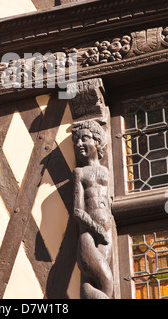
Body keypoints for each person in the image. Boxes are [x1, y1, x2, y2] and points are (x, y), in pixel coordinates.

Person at [72, 120, 114, 299]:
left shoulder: (105, 170)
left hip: (107, 233)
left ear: (97, 142)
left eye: (85, 138)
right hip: (89, 234)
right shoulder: (80, 173)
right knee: (100, 282)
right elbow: (77, 211)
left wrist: (105, 230)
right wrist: (97, 229)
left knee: (106, 281)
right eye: (77, 140)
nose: (79, 144)